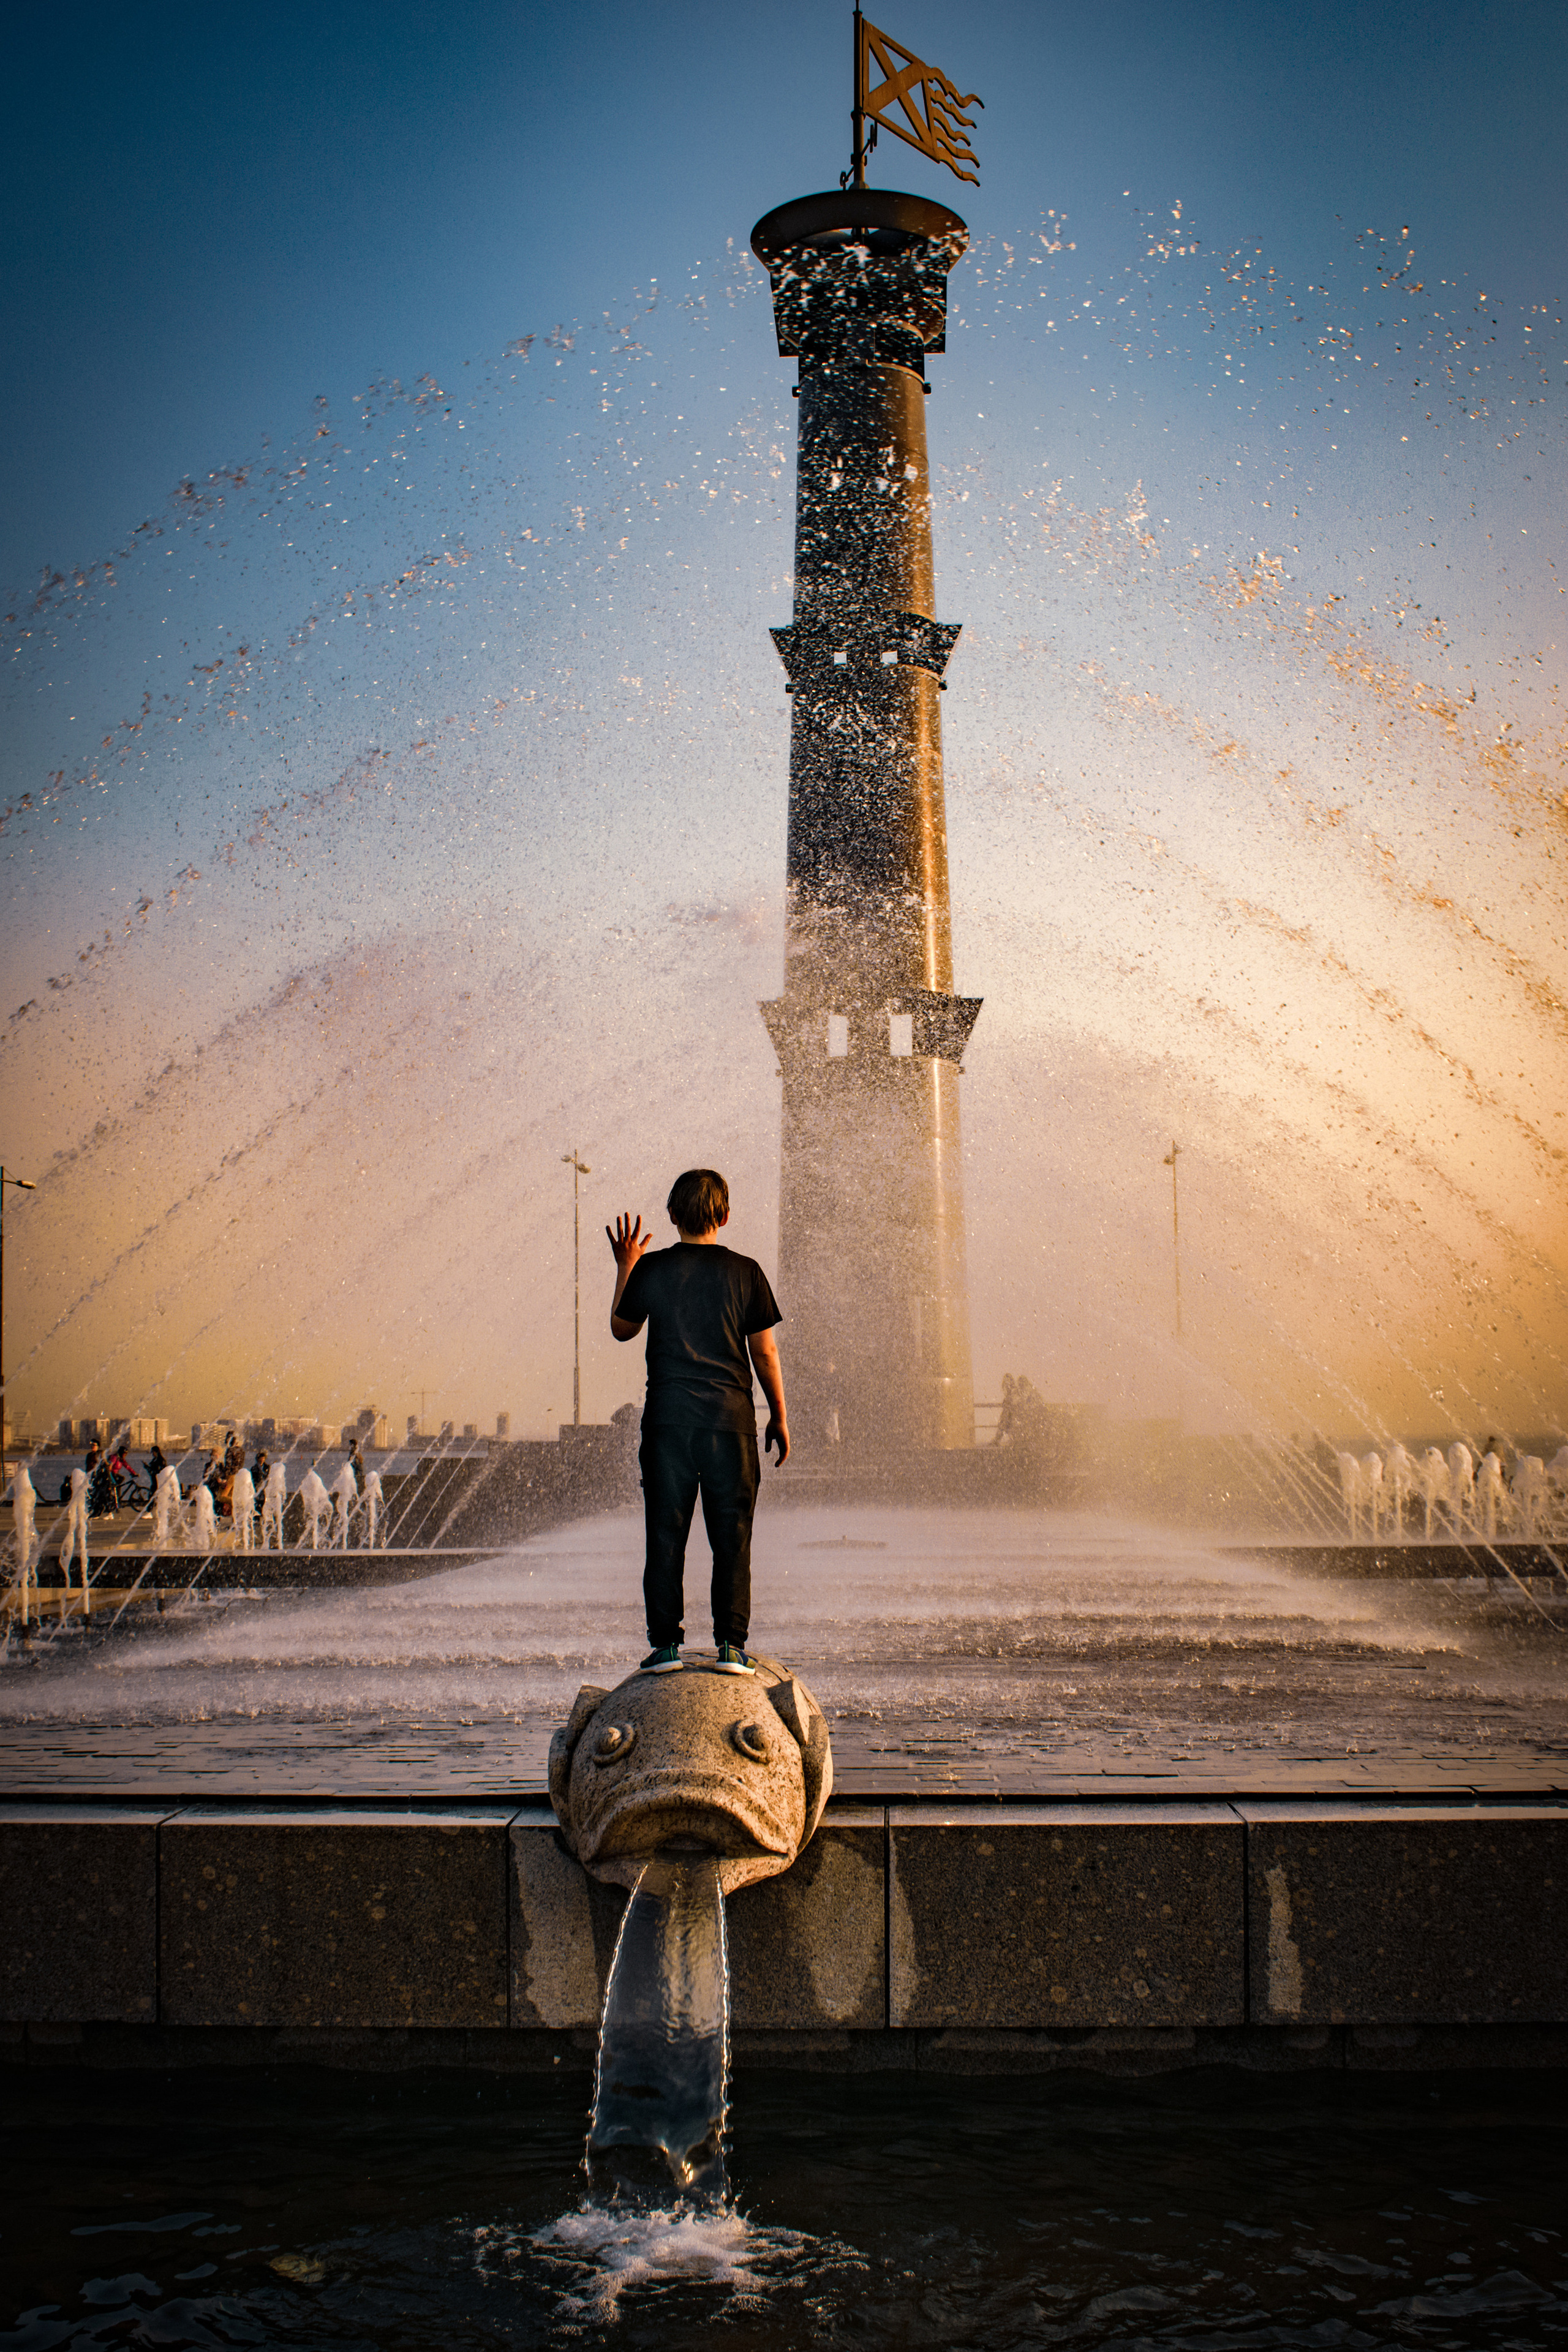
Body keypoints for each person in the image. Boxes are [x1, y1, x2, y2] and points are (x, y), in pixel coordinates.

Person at [608, 1167, 788, 1678]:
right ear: (725, 1216)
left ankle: (665, 1647)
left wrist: (627, 1265)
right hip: (730, 1424)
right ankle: (731, 1647)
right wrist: (778, 1415)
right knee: (732, 1537)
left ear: (670, 1215)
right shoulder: (747, 1272)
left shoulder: (654, 1269)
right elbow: (765, 1353)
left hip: (668, 1425)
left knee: (665, 1535)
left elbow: (622, 1329)